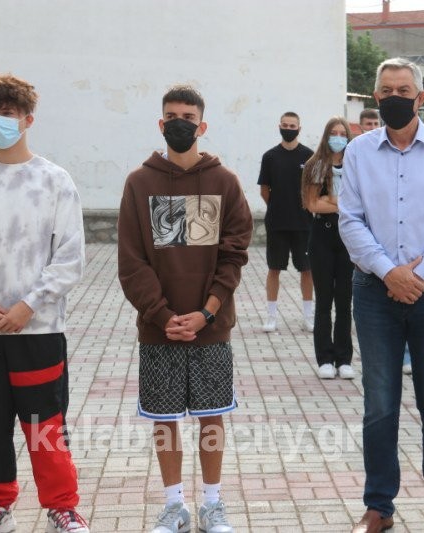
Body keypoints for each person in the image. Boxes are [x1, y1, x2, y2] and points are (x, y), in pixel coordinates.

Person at [340, 57, 424, 533]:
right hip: (374, 291)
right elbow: (350, 220)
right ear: (376, 96)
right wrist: (389, 272)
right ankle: (379, 506)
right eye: (387, 90)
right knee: (380, 404)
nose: (395, 97)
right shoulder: (357, 152)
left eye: (404, 90)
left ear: (421, 97)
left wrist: (422, 273)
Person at [118, 85, 253, 533]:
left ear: (202, 125)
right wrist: (162, 316)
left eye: (188, 117)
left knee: (211, 415)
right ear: (161, 124)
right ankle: (174, 505)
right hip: (160, 328)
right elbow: (131, 261)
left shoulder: (225, 182)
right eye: (172, 116)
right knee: (164, 419)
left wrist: (207, 312)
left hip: (210, 327)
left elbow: (234, 255)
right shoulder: (139, 183)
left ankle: (213, 504)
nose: (180, 123)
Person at [0, 73, 90, 533]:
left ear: (28, 120)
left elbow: (70, 258)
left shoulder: (54, 181)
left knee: (45, 425)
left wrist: (28, 305)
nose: (0, 120)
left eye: (8, 114)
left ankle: (61, 507)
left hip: (39, 329)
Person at [301, 117, 355, 380]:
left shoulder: (355, 163)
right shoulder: (316, 165)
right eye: (334, 133)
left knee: (345, 300)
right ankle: (324, 358)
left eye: (342, 133)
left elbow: (361, 202)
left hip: (349, 237)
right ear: (326, 135)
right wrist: (342, 203)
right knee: (324, 300)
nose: (338, 137)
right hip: (322, 235)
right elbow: (312, 204)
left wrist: (331, 200)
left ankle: (344, 359)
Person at [258, 111, 315, 333]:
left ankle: (308, 318)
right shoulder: (270, 156)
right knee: (274, 269)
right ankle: (271, 317)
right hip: (277, 223)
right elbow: (264, 190)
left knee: (307, 270)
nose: (288, 129)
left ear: (299, 128)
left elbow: (314, 189)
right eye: (285, 125)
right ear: (279, 126)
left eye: (292, 126)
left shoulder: (309, 156)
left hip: (304, 224)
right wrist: (278, 206)